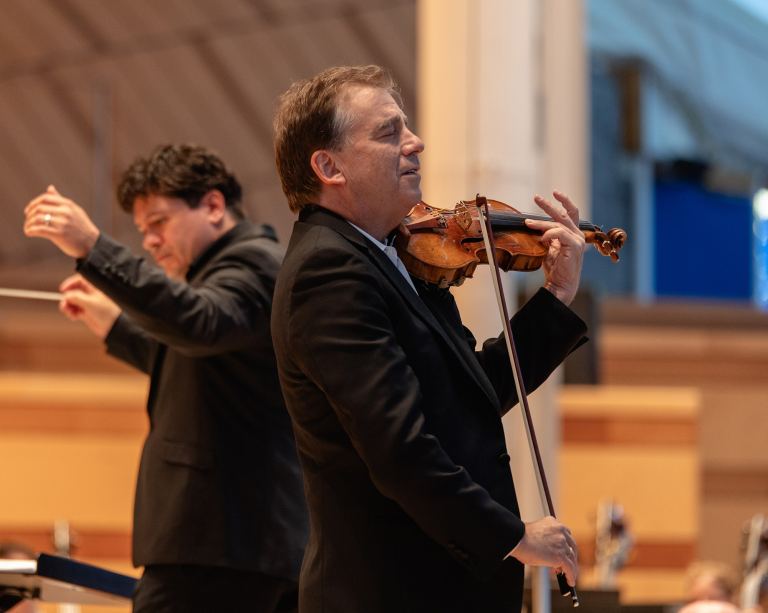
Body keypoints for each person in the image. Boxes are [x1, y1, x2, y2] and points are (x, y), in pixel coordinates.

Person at [271, 65, 586, 613]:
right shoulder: (330, 273)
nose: (415, 143)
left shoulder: (392, 253)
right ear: (329, 166)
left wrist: (555, 297)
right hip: (391, 591)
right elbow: (400, 452)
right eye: (389, 132)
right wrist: (514, 536)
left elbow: (473, 393)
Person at [23, 144, 307, 613]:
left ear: (213, 206)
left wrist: (94, 248)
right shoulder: (231, 274)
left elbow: (196, 322)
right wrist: (112, 323)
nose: (150, 241)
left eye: (158, 222)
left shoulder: (255, 263)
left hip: (224, 544)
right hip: (231, 545)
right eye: (142, 230)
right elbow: (188, 358)